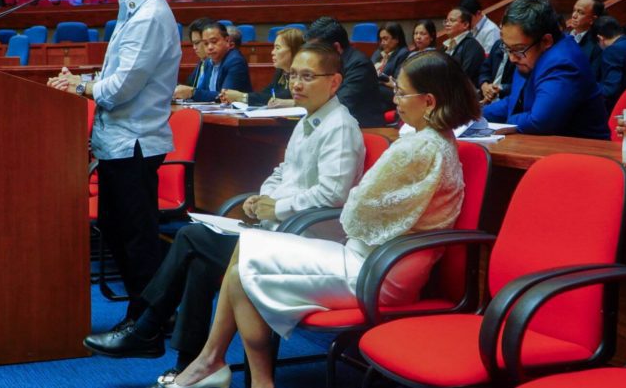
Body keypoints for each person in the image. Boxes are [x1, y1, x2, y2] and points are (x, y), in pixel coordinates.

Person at [169, 50, 480, 388]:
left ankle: (235, 372)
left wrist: (358, 205)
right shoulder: (431, 141)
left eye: (402, 93)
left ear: (429, 100)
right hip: (381, 261)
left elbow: (356, 213)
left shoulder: (419, 149)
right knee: (246, 253)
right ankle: (218, 364)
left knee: (246, 262)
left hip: (379, 272)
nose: (395, 99)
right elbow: (361, 209)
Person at [82, 43, 366, 383]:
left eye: (308, 77)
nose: (297, 85)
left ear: (334, 82)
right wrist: (260, 198)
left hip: (309, 239)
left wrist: (278, 207)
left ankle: (146, 327)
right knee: (199, 256)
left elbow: (332, 195)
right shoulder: (309, 120)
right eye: (293, 76)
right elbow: (282, 172)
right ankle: (192, 362)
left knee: (190, 238)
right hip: (279, 227)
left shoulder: (340, 126)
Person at [46, 0, 181, 323]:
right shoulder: (133, 9)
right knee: (115, 227)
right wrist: (85, 78)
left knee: (136, 236)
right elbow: (121, 73)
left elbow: (121, 89)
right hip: (119, 142)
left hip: (134, 143)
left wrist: (82, 85)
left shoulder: (151, 16)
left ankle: (150, 318)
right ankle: (148, 312)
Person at [483, 0, 610, 139]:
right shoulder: (530, 54)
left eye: (518, 49)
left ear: (546, 41)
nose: (512, 58)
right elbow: (515, 101)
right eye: (507, 48)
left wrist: (505, 124)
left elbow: (540, 122)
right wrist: (476, 115)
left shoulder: (562, 63)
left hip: (583, 154)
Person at [305, 17, 386, 127]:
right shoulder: (328, 63)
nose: (313, 55)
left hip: (363, 129)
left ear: (336, 47)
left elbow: (342, 103)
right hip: (333, 124)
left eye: (317, 50)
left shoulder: (360, 65)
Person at [221, 27, 304, 107]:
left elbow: (284, 96)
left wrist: (242, 97)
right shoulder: (281, 71)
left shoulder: (302, 74)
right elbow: (266, 94)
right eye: (273, 48)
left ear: (294, 50)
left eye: (277, 48)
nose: (272, 52)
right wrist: (240, 96)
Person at [173, 22, 252, 101]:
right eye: (206, 43)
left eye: (214, 42)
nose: (210, 47)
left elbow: (225, 97)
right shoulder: (208, 62)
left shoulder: (235, 61)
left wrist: (192, 92)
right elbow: (205, 92)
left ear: (227, 41)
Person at [372, 22, 411, 110]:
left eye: (385, 39)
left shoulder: (403, 54)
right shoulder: (378, 53)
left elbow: (397, 79)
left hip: (391, 92)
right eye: (380, 39)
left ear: (396, 39)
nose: (382, 42)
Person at [442, 7, 484, 87]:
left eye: (452, 21)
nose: (447, 24)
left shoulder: (472, 46)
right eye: (446, 21)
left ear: (465, 25)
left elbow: (464, 76)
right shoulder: (445, 46)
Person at [569, 0, 605, 79]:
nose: (574, 15)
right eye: (574, 10)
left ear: (592, 20)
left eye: (580, 12)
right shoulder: (563, 37)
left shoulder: (597, 45)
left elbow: (592, 78)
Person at [478, 39, 515, 104]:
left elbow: (522, 86)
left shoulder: (521, 51)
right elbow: (485, 70)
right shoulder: (498, 45)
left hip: (508, 101)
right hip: (487, 97)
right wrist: (484, 84)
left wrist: (500, 88)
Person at [183, 17, 214, 89]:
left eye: (197, 43)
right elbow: (189, 86)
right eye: (193, 44)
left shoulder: (218, 65)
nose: (194, 47)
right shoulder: (201, 63)